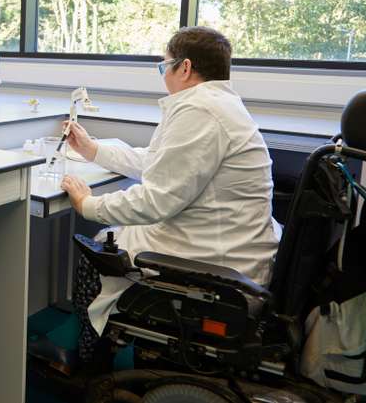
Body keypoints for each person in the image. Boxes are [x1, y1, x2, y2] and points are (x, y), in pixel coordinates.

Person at [60, 26, 281, 366]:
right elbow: (160, 162)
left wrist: (89, 205)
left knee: (97, 250)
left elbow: (156, 200)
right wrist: (93, 150)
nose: (163, 74)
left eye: (164, 66)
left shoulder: (200, 111)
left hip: (215, 260)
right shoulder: (216, 104)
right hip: (228, 242)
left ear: (185, 67)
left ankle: (90, 367)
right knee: (114, 237)